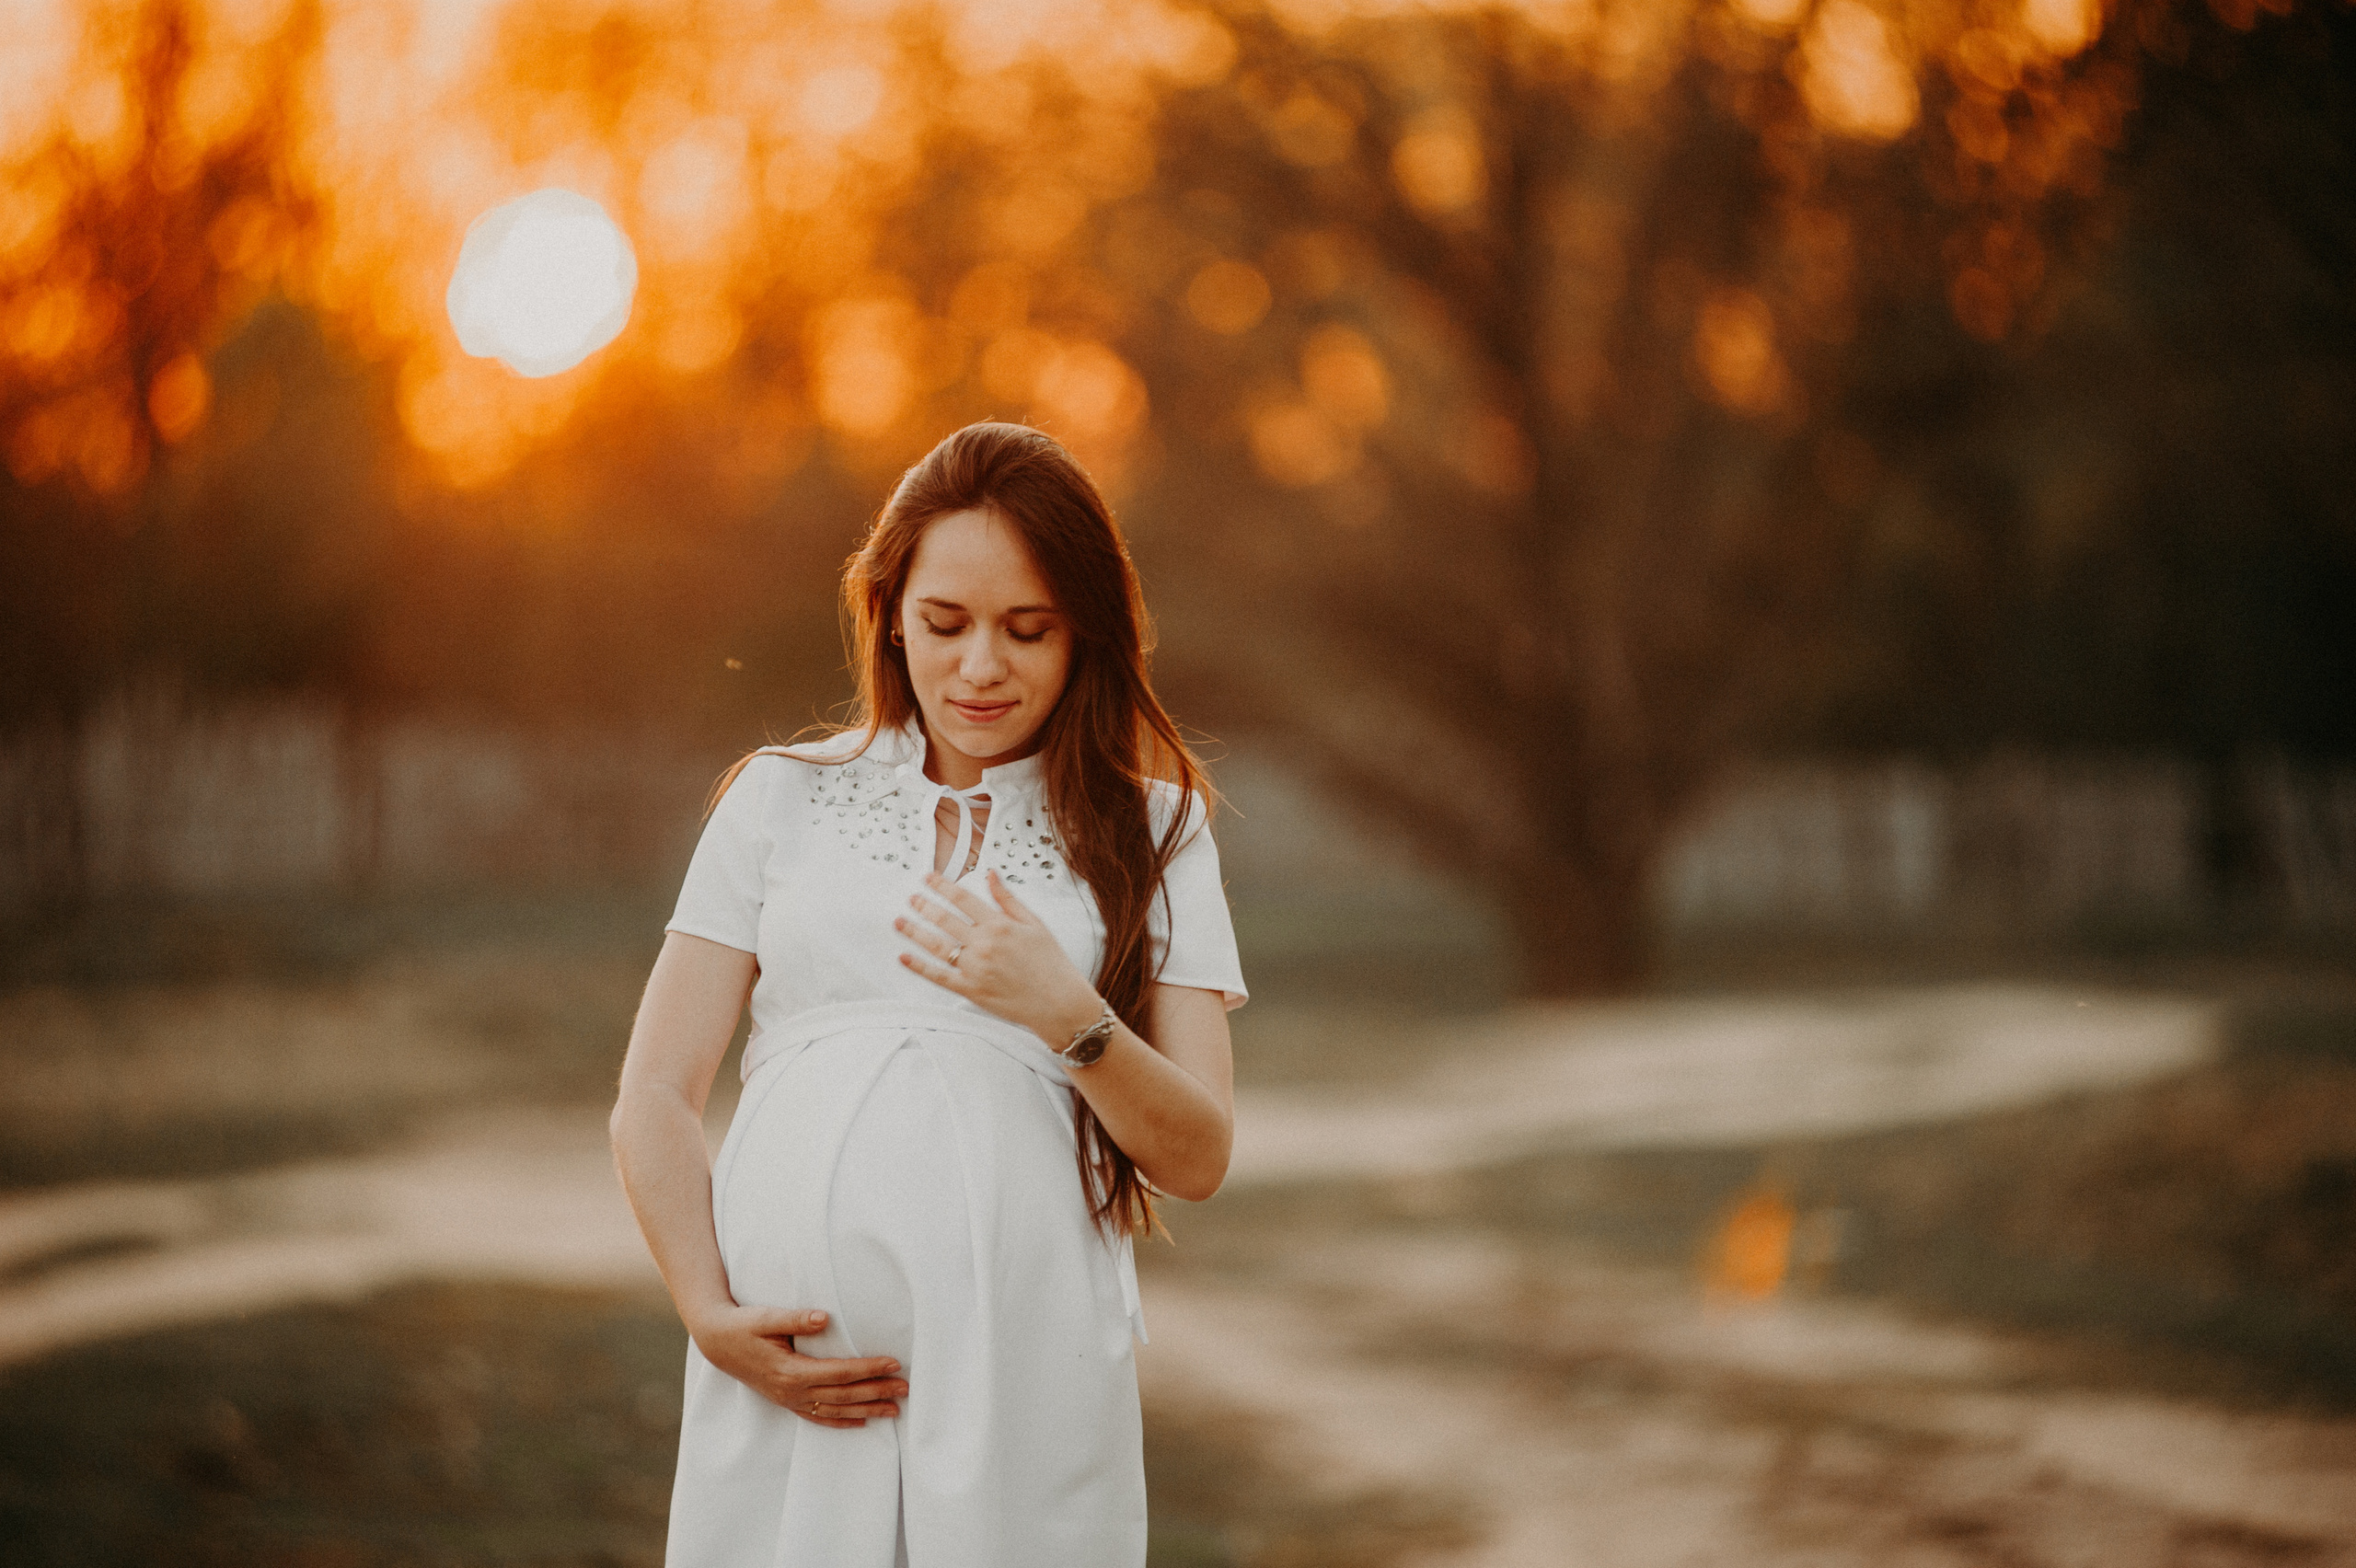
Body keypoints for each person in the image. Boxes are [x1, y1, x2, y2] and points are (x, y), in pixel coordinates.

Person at [608, 421, 1248, 1568]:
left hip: (1023, 1372)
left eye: (1027, 629)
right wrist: (709, 1314)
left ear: (1085, 633)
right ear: (892, 615)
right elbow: (655, 1091)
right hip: (787, 1378)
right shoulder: (778, 799)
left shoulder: (1158, 832)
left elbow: (1196, 1156)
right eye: (946, 624)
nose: (981, 666)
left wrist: (1065, 1013)